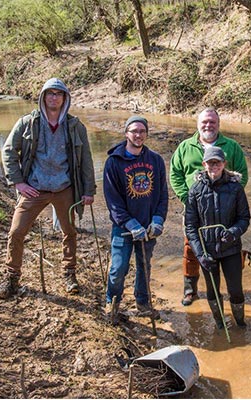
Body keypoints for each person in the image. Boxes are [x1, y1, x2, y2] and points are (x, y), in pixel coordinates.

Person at [0, 77, 96, 299]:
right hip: (34, 188)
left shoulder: (75, 126)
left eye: (58, 94)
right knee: (16, 231)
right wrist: (19, 182)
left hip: (64, 188)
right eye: (50, 93)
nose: (54, 97)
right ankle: (12, 278)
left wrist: (89, 191)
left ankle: (69, 274)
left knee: (69, 232)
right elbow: (9, 151)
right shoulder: (27, 123)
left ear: (65, 98)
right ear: (43, 97)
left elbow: (86, 161)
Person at [170, 108, 248, 306]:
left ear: (219, 124)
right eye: (205, 122)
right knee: (191, 248)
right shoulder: (185, 147)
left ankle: (233, 289)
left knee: (231, 245)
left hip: (226, 211)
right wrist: (188, 199)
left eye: (212, 122)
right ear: (197, 124)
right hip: (195, 208)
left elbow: (242, 174)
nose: (208, 125)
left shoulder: (231, 146)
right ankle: (191, 290)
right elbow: (175, 175)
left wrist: (230, 199)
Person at [103, 116, 168, 323]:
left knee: (144, 265)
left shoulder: (155, 160)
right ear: (126, 133)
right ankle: (111, 305)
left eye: (142, 131)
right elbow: (113, 202)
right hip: (123, 228)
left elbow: (162, 195)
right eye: (134, 131)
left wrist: (158, 219)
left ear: (146, 134)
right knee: (118, 268)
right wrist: (130, 224)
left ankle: (143, 303)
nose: (138, 135)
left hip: (148, 227)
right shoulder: (114, 162)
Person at [184, 146, 250, 329]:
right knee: (212, 290)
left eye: (217, 162)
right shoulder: (195, 190)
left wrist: (233, 233)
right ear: (204, 164)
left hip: (231, 249)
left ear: (224, 164)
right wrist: (200, 254)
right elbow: (191, 226)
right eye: (210, 163)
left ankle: (240, 322)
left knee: (235, 289)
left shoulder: (236, 189)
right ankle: (220, 323)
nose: (214, 166)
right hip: (207, 251)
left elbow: (244, 218)